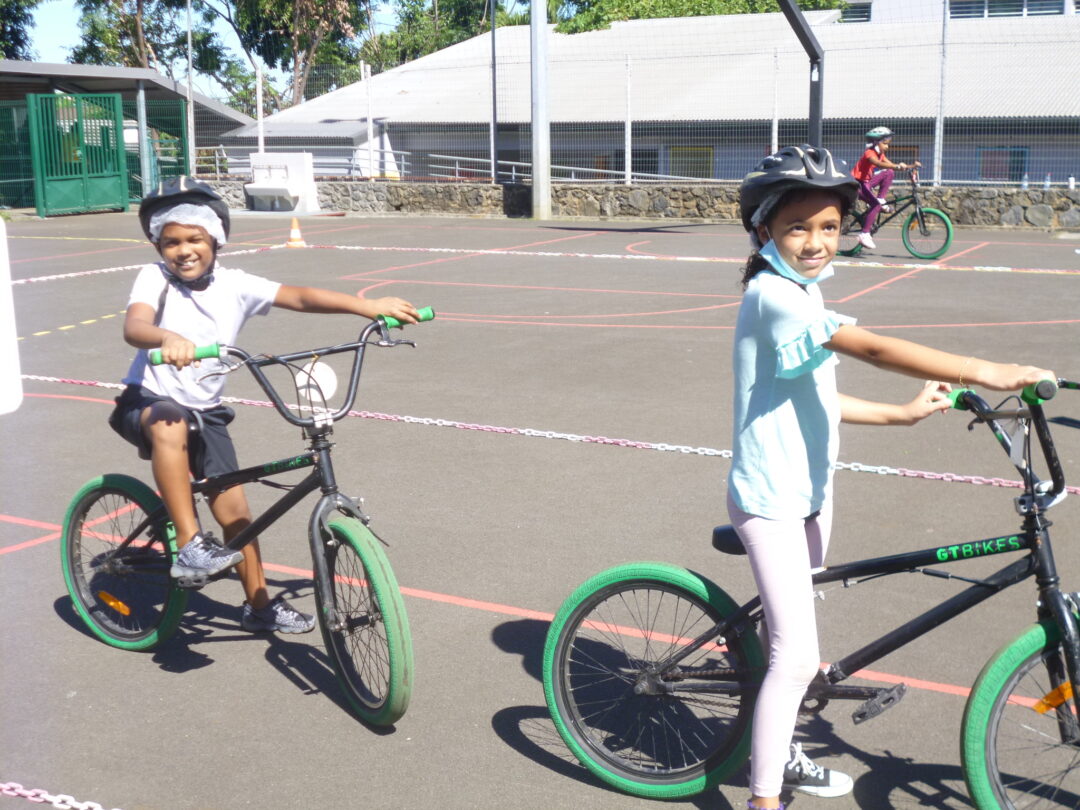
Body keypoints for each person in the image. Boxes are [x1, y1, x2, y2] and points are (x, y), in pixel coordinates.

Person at [729, 145, 1052, 810]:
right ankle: (764, 799)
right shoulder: (772, 296)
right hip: (769, 500)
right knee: (796, 659)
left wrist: (901, 415)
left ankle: (777, 743)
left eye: (829, 226)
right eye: (797, 227)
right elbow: (872, 348)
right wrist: (985, 370)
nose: (817, 241)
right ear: (763, 231)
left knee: (787, 643)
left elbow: (817, 396)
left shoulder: (802, 290)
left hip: (809, 493)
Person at [109, 177, 419, 634]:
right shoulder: (153, 278)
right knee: (170, 422)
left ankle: (260, 607)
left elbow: (299, 296)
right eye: (171, 242)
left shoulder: (235, 284)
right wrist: (167, 337)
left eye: (194, 239)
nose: (183, 250)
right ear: (158, 246)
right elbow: (135, 326)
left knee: (236, 515)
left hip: (206, 412)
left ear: (216, 240)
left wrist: (366, 306)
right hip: (149, 401)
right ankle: (189, 543)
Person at [851, 126, 921, 250]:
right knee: (876, 205)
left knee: (889, 172)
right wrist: (896, 166)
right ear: (876, 142)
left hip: (866, 183)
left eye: (888, 144)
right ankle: (864, 234)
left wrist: (910, 166)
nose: (887, 147)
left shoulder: (880, 154)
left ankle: (881, 199)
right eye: (885, 144)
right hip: (857, 184)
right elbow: (878, 164)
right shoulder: (869, 153)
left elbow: (890, 165)